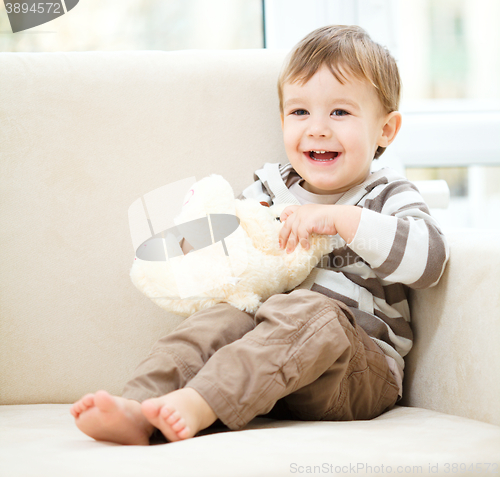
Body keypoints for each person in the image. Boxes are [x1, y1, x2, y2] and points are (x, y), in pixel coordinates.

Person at [70, 25, 449, 446]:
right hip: (267, 371)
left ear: (386, 130)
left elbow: (430, 260)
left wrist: (343, 219)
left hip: (354, 372)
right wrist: (198, 244)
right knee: (220, 318)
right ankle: (139, 407)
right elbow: (232, 254)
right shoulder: (267, 192)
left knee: (313, 310)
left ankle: (200, 402)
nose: (318, 128)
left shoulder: (386, 195)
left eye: (340, 112)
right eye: (300, 112)